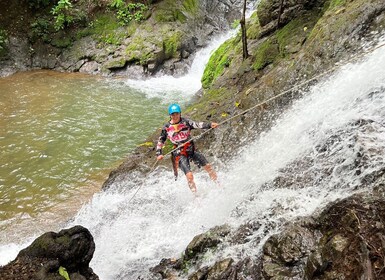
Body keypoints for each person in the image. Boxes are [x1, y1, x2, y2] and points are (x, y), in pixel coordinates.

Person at [156, 103, 219, 194]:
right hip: (179, 153)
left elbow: (198, 124)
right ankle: (196, 196)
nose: (175, 116)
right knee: (189, 176)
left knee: (208, 167)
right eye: (173, 114)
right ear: (170, 115)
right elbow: (161, 140)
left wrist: (210, 124)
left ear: (180, 113)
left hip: (191, 149)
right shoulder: (167, 128)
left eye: (177, 114)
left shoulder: (186, 122)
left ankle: (218, 184)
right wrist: (159, 153)